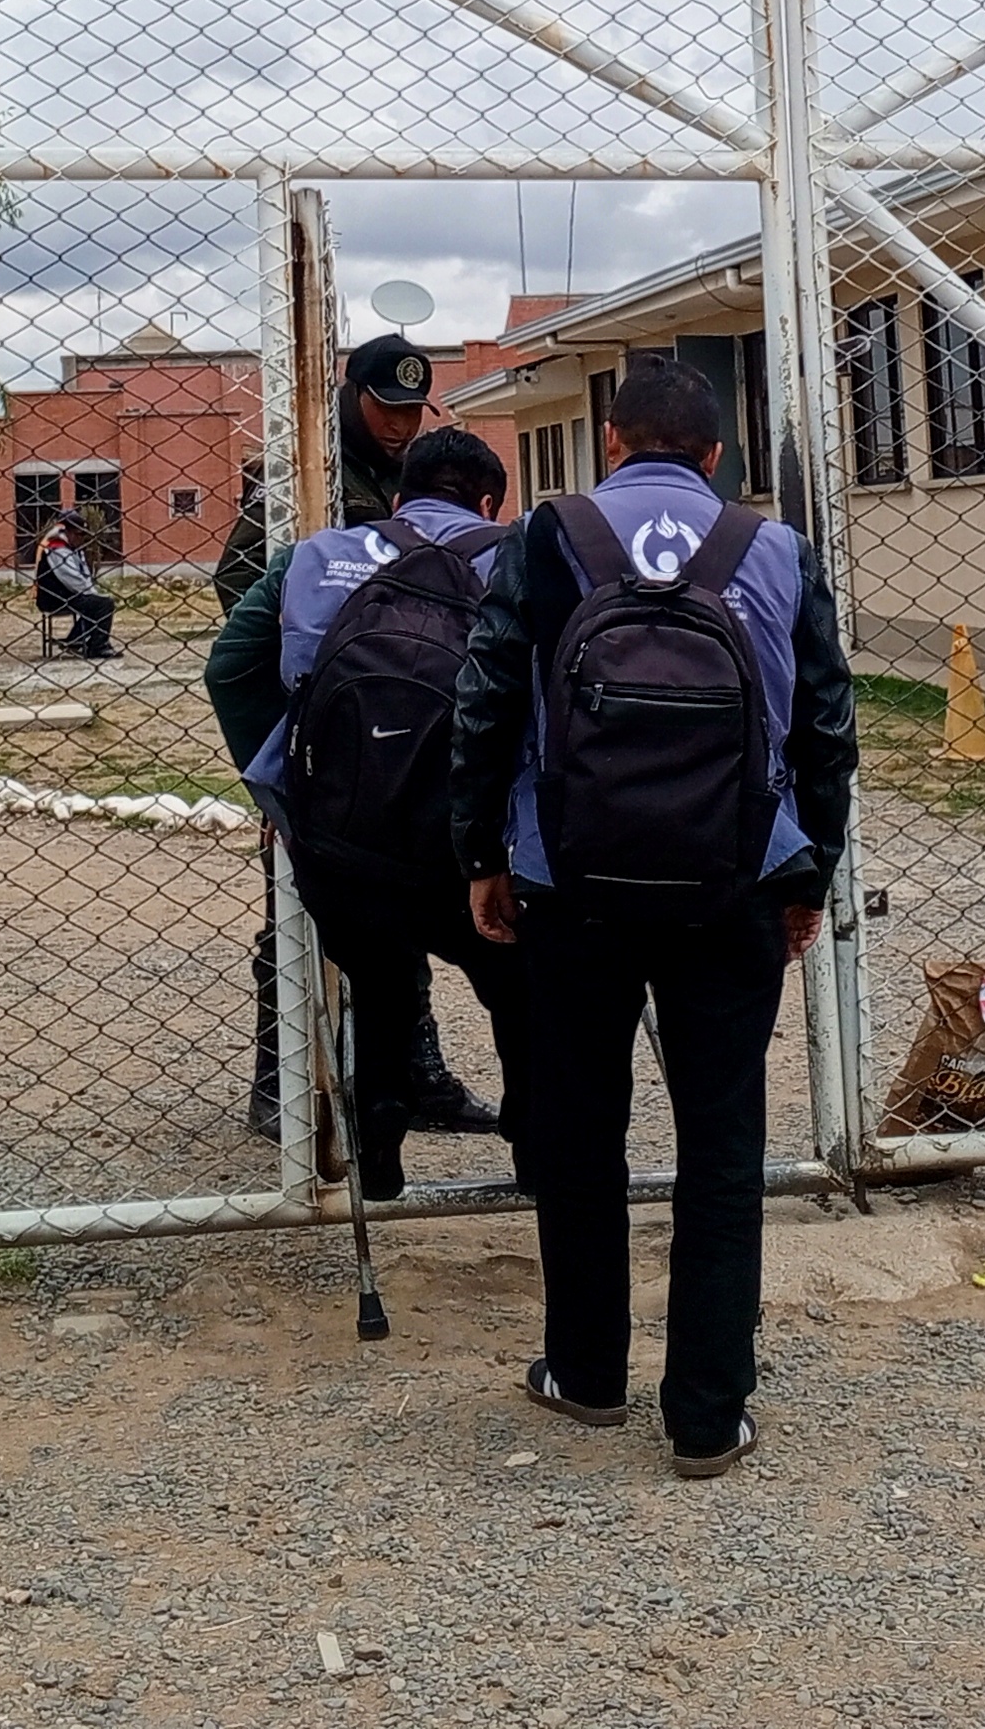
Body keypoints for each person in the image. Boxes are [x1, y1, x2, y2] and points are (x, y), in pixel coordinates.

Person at [446, 356, 857, 1475]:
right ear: (716, 457)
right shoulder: (775, 549)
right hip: (735, 879)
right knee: (722, 1138)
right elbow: (825, 728)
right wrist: (808, 876)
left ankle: (585, 1375)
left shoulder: (550, 535)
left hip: (572, 881)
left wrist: (482, 853)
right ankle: (707, 1415)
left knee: (580, 1125)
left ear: (611, 444)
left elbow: (485, 698)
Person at [207, 425, 531, 1200]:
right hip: (473, 850)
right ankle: (536, 1142)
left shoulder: (313, 558)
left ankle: (380, 1125)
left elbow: (230, 668)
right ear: (490, 503)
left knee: (379, 980)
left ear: (397, 499)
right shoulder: (524, 560)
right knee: (519, 985)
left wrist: (283, 796)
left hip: (344, 847)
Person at [212, 333, 433, 604]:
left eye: (412, 410)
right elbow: (237, 571)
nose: (400, 426)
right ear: (353, 396)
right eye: (387, 408)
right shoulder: (302, 464)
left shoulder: (417, 472)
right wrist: (290, 627)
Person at [31, 510, 116, 661]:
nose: (81, 538)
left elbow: (84, 576)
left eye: (83, 535)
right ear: (67, 532)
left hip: (69, 594)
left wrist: (93, 593)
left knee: (98, 603)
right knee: (103, 604)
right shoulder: (57, 549)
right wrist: (91, 594)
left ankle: (77, 639)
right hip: (54, 597)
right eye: (78, 534)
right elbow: (71, 578)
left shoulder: (74, 549)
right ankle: (97, 646)